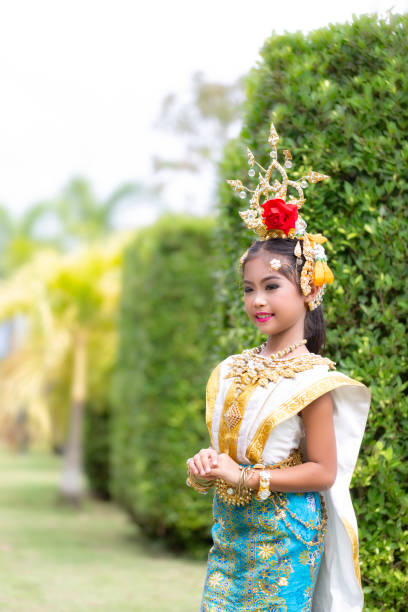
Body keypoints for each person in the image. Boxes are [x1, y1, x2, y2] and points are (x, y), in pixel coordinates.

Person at [186, 122, 371, 612]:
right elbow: (228, 450)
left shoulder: (316, 380)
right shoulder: (231, 368)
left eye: (272, 286)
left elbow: (323, 471)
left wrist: (247, 478)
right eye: (249, 288)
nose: (257, 300)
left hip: (285, 540)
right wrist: (206, 464)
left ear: (309, 290)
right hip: (230, 531)